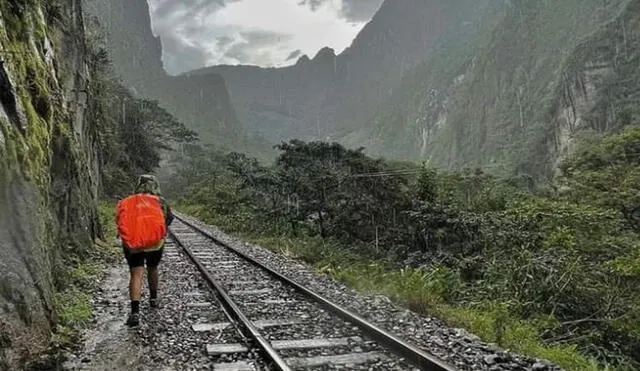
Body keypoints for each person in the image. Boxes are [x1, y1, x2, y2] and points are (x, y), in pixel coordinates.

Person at [116, 175, 174, 326]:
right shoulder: (161, 201)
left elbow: (119, 219)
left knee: (136, 273)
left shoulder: (128, 201)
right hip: (155, 243)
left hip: (133, 244)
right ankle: (153, 299)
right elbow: (169, 219)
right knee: (153, 268)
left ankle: (135, 312)